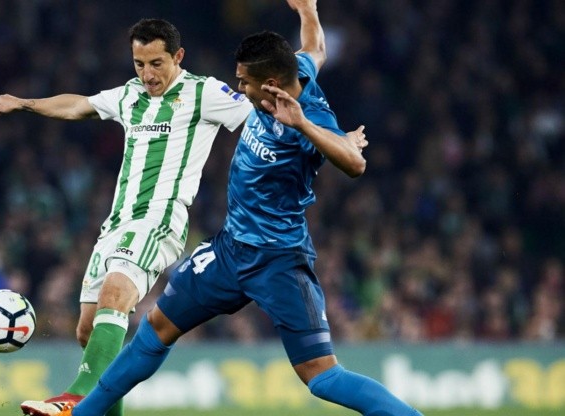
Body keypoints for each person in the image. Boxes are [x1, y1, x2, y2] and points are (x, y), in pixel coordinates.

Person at [60, 1, 424, 415]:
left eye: (243, 82)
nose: (238, 88)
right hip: (230, 251)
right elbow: (316, 48)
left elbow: (355, 163)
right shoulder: (296, 71)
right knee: (155, 329)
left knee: (321, 376)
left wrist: (303, 124)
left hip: (278, 260)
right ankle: (85, 412)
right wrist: (307, 9)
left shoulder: (310, 116)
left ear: (270, 83)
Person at [0, 18, 253, 416]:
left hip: (159, 219)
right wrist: (26, 103)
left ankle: (76, 399)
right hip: (116, 225)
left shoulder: (203, 92)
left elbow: (261, 116)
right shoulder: (130, 95)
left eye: (157, 64)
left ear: (178, 56)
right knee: (88, 332)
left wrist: (324, 134)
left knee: (117, 294)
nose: (147, 74)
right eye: (139, 64)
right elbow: (79, 105)